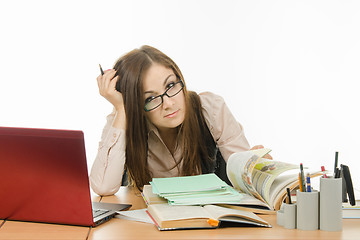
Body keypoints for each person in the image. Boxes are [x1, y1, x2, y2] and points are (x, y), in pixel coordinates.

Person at [90, 45, 271, 196]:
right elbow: (104, 187)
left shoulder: (210, 109)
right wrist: (122, 109)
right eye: (150, 98)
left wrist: (256, 168)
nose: (168, 103)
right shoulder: (123, 120)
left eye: (170, 85)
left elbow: (243, 175)